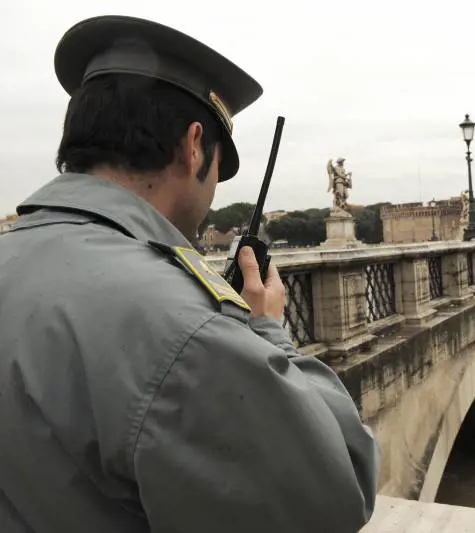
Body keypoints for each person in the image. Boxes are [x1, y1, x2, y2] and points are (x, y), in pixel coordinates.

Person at [0, 15, 380, 533]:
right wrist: (268, 333)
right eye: (220, 171)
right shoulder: (189, 329)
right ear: (194, 144)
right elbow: (341, 492)